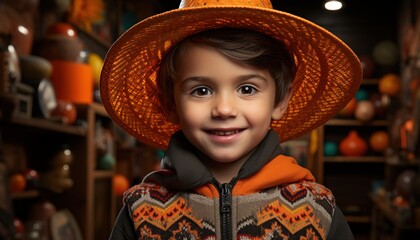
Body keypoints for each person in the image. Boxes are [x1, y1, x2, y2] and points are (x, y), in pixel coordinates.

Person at [100, 0, 362, 239]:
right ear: (170, 104)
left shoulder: (317, 209)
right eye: (201, 90)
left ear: (280, 101)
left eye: (247, 89)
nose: (224, 109)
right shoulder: (141, 210)